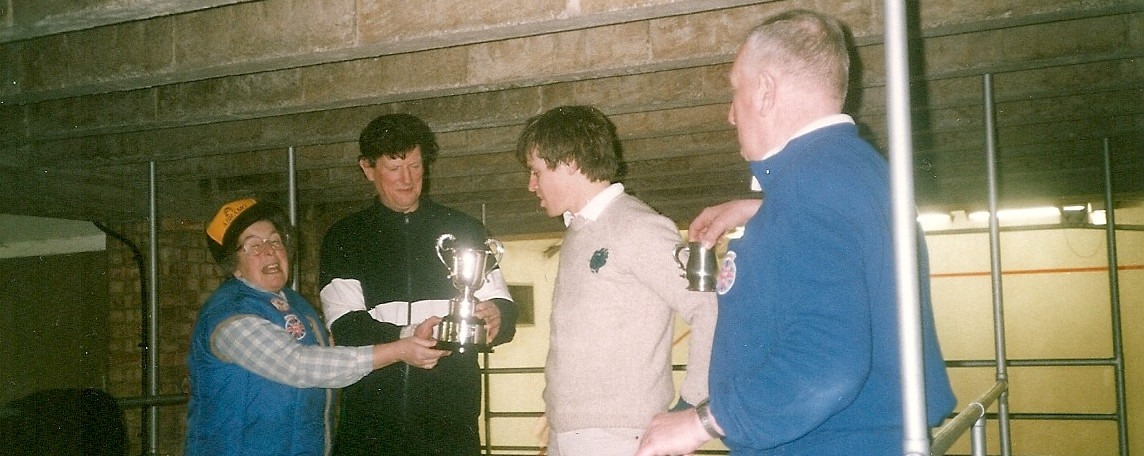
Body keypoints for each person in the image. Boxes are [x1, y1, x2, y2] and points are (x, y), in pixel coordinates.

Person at [635, 9, 956, 456]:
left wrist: (701, 422)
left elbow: (826, 360)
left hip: (827, 442)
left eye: (736, 91)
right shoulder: (855, 170)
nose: (731, 115)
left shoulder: (811, 186)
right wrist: (765, 211)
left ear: (765, 90)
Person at [515, 105, 718, 456]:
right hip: (569, 431)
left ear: (569, 162)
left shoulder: (635, 225)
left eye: (536, 171)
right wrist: (557, 416)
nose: (531, 185)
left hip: (619, 436)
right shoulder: (579, 231)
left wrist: (692, 404)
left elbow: (709, 304)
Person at [319, 113, 518, 455]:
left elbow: (505, 308)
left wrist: (499, 316)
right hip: (370, 426)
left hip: (451, 425)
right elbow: (346, 327)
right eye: (394, 168)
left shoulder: (465, 229)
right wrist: (407, 338)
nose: (407, 179)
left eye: (415, 165)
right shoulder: (345, 237)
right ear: (368, 168)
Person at [185, 198, 448, 456]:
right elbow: (298, 365)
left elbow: (332, 351)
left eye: (275, 241)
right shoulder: (230, 314)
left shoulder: (294, 304)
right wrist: (399, 351)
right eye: (253, 246)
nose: (270, 251)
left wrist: (409, 335)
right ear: (234, 267)